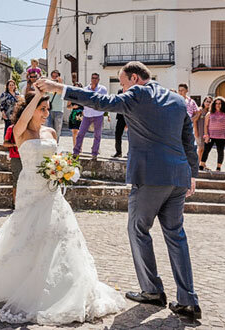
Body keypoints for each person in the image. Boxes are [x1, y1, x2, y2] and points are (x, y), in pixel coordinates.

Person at [36, 61, 202, 320]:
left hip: (150, 177)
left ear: (135, 79)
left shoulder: (137, 94)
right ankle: (188, 300)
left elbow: (100, 101)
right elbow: (188, 141)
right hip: (178, 177)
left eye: (123, 83)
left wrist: (59, 87)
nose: (122, 89)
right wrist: (192, 174)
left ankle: (151, 291)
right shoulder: (177, 100)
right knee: (176, 235)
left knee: (138, 229)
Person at [0, 91, 125, 325]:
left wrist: (63, 170)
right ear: (31, 109)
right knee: (28, 234)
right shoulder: (20, 131)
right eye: (42, 109)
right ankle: (21, 286)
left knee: (59, 235)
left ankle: (59, 290)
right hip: (30, 189)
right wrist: (37, 95)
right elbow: (21, 122)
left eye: (47, 109)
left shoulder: (50, 132)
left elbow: (55, 159)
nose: (46, 114)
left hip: (51, 190)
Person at [73, 73, 108, 160]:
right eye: (93, 78)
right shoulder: (86, 89)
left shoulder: (103, 89)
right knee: (80, 134)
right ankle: (76, 152)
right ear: (91, 79)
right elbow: (82, 100)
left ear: (99, 79)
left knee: (97, 135)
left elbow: (105, 101)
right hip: (87, 115)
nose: (94, 79)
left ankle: (94, 153)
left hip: (98, 114)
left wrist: (105, 113)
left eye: (96, 78)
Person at [201, 96, 225, 172]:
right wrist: (206, 135)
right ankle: (201, 165)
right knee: (206, 150)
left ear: (223, 104)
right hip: (210, 135)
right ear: (213, 104)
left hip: (222, 135)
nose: (218, 105)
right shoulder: (209, 114)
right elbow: (205, 125)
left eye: (220, 103)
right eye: (216, 103)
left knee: (220, 151)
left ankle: (218, 167)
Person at [2, 123, 21, 208]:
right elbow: (5, 144)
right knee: (16, 181)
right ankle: (15, 204)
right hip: (16, 157)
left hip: (28, 156)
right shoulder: (11, 128)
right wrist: (15, 145)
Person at [193, 96, 213, 168]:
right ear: (203, 102)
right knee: (201, 148)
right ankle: (198, 163)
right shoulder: (200, 110)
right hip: (200, 131)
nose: (208, 103)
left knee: (205, 149)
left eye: (210, 102)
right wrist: (196, 131)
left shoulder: (211, 112)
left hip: (208, 133)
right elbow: (194, 121)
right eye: (207, 101)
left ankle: (202, 163)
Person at [45, 70, 64, 141]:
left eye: (56, 76)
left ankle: (56, 145)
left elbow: (64, 95)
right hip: (49, 110)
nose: (54, 78)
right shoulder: (49, 86)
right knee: (49, 129)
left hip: (58, 110)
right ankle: (50, 145)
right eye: (53, 76)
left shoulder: (62, 86)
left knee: (57, 131)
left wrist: (60, 83)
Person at [66, 82, 85, 148]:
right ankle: (75, 147)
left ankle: (80, 147)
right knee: (74, 132)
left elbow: (86, 106)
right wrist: (72, 107)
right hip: (74, 115)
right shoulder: (71, 97)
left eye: (78, 87)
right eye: (75, 87)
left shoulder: (83, 96)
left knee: (80, 132)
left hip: (81, 114)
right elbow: (68, 106)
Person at [112, 88, 128, 158]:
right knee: (117, 134)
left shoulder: (132, 91)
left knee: (131, 136)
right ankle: (118, 152)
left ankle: (130, 153)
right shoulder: (120, 91)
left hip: (129, 116)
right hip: (120, 116)